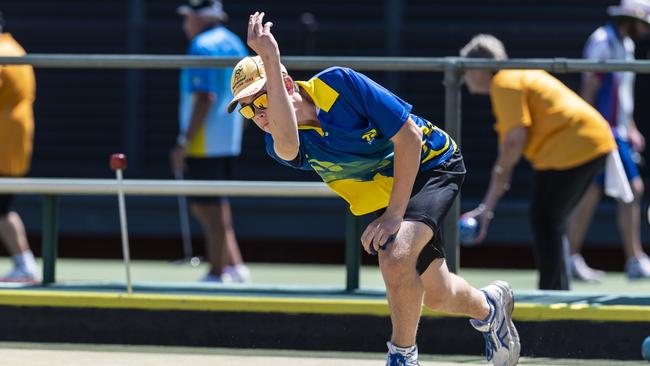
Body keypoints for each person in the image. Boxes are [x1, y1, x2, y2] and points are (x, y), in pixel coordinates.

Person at [226, 12, 521, 366]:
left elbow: (409, 138)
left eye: (261, 100)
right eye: (247, 111)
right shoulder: (281, 143)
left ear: (286, 85)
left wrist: (396, 216)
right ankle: (490, 309)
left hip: (431, 163)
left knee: (394, 255)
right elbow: (288, 144)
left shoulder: (340, 84)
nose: (258, 115)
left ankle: (401, 357)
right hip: (380, 194)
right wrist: (392, 213)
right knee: (439, 295)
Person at [460, 34, 617, 291]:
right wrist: (486, 208)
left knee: (546, 219)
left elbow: (513, 142)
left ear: (480, 68)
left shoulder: (504, 82)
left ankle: (553, 292)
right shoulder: (513, 78)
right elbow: (511, 148)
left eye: (465, 69)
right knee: (547, 218)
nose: (463, 76)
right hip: (582, 144)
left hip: (576, 145)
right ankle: (556, 290)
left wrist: (489, 202)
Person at [567, 0, 650, 282]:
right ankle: (634, 258)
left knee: (593, 192)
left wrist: (632, 127)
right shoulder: (602, 41)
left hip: (617, 131)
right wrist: (588, 130)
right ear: (630, 19)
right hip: (604, 132)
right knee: (632, 190)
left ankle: (570, 256)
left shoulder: (625, 44)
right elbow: (590, 85)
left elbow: (622, 92)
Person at [170, 0, 249, 283]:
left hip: (204, 141)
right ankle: (235, 266)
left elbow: (204, 98)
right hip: (229, 139)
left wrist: (183, 142)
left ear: (199, 18)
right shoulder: (235, 42)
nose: (185, 24)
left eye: (188, 17)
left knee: (207, 207)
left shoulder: (201, 46)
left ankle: (218, 272)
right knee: (217, 204)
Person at [0, 11, 38, 282]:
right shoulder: (14, 47)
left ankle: (25, 265)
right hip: (13, 144)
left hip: (4, 145)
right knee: (3, 209)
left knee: (2, 208)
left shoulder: (3, 51)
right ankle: (24, 263)